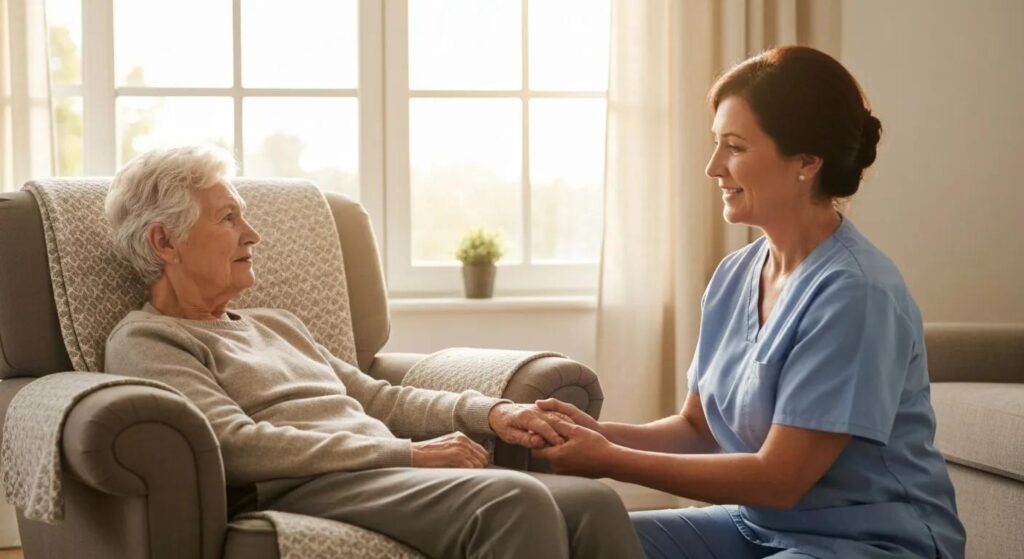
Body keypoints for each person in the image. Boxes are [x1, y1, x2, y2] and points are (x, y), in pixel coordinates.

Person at [103, 145, 644, 559]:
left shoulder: (278, 325)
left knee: (591, 503)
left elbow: (376, 397)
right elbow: (237, 447)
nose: (253, 234)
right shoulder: (151, 340)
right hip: (306, 485)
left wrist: (494, 412)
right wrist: (406, 454)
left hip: (380, 472)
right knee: (514, 503)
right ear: (164, 242)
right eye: (227, 218)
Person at [532, 46, 966, 559]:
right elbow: (697, 429)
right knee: (568, 538)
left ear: (806, 162)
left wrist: (608, 458)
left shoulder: (857, 294)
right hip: (756, 528)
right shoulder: (737, 274)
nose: (714, 166)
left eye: (734, 147)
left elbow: (779, 479)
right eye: (716, 144)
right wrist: (595, 434)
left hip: (873, 541)